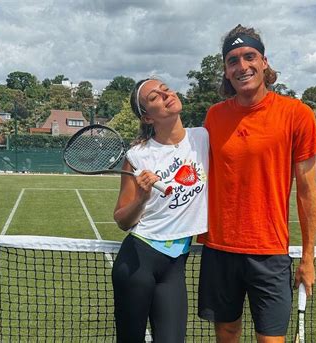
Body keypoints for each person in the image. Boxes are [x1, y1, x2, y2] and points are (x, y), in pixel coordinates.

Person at [197, 24, 316, 342]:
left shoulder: (297, 114)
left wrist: (308, 257)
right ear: (226, 71)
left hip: (270, 254)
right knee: (226, 332)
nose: (242, 66)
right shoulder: (213, 117)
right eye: (233, 60)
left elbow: (307, 191)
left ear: (264, 62)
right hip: (219, 250)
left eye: (249, 56)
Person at [112, 78, 209, 342]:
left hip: (175, 266)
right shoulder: (137, 156)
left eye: (165, 88)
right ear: (147, 117)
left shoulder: (203, 137)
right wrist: (141, 198)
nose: (165, 94)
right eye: (154, 97)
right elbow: (122, 219)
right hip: (138, 261)